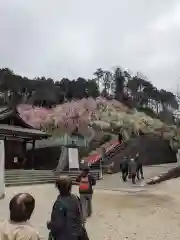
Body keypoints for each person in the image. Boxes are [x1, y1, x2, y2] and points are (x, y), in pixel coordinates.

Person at [47, 175, 88, 240]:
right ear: (70, 187)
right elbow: (81, 216)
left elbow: (58, 225)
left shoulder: (59, 203)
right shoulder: (76, 198)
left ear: (58, 187)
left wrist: (50, 225)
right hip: (78, 234)